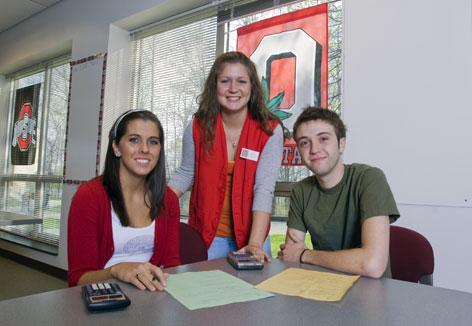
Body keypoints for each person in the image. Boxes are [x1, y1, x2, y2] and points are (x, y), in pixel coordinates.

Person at [169, 51, 283, 261]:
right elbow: (185, 174)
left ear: (252, 87)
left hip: (253, 237)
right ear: (215, 86)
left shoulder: (270, 130)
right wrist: (151, 208)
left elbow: (264, 188)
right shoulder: (196, 127)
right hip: (207, 237)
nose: (233, 89)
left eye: (241, 81)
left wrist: (255, 244)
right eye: (225, 81)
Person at [278, 107, 399, 278]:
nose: (314, 149)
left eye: (323, 139)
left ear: (341, 144)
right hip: (324, 288)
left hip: (370, 294)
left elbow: (372, 265)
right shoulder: (301, 191)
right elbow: (291, 256)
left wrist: (305, 255)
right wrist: (297, 255)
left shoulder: (369, 178)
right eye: (305, 142)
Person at [68, 109, 180, 291]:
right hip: (103, 297)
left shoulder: (168, 199)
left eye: (153, 142)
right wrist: (115, 271)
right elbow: (77, 280)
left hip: (152, 299)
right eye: (134, 140)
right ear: (116, 147)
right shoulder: (88, 196)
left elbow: (172, 266)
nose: (144, 149)